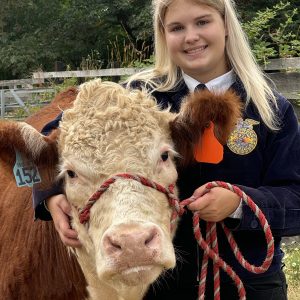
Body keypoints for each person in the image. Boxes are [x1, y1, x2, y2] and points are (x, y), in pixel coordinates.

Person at [33, 0, 300, 299]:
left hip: (249, 281)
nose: (191, 37)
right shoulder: (140, 96)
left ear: (226, 25)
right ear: (164, 35)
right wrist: (49, 194)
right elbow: (55, 136)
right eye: (177, 28)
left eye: (202, 22)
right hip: (159, 278)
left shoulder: (270, 109)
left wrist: (239, 204)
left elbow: (295, 198)